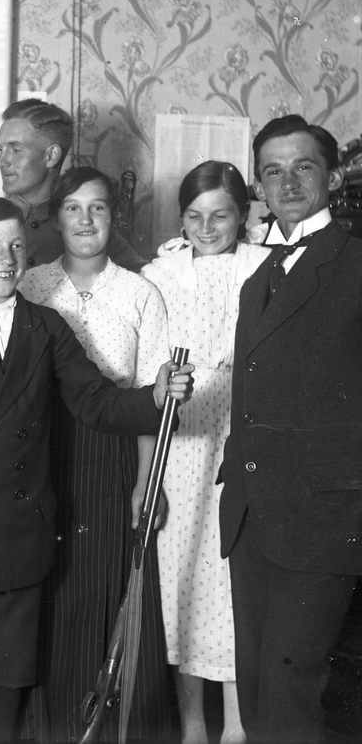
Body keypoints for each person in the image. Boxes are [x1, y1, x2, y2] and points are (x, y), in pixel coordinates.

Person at [0, 195, 193, 744]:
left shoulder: (47, 326)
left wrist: (154, 394)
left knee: (8, 663)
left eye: (15, 246)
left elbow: (96, 400)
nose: (6, 259)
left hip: (19, 523)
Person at [218, 115, 362, 743]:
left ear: (333, 176)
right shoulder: (260, 276)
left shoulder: (354, 263)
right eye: (273, 171)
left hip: (324, 513)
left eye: (304, 166)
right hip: (253, 509)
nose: (289, 182)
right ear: (259, 186)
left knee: (291, 686)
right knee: (256, 685)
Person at [18, 168, 174, 742]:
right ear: (55, 218)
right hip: (40, 449)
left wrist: (144, 482)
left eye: (99, 208)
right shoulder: (30, 284)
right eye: (73, 208)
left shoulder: (140, 292)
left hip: (112, 455)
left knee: (105, 583)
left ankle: (109, 730)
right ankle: (55, 728)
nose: (86, 220)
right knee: (52, 588)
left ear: (114, 217)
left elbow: (149, 399)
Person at [139, 161, 268, 744]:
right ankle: (193, 727)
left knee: (235, 585)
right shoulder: (159, 275)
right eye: (194, 216)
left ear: (243, 215)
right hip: (181, 443)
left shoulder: (264, 267)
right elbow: (147, 365)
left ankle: (237, 728)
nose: (207, 228)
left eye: (221, 215)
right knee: (182, 583)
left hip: (242, 439)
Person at [0, 99, 147, 300]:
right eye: (0, 149)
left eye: (15, 149)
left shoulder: (85, 224)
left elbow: (147, 285)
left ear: (51, 156)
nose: (1, 161)